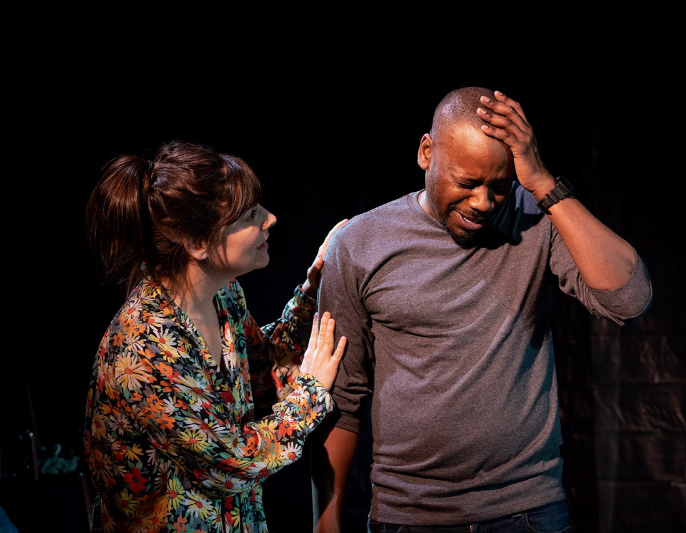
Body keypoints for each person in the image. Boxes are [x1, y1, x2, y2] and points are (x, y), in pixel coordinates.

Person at [311, 87, 653, 533]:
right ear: (426, 152)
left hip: (527, 511)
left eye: (499, 186)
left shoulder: (535, 219)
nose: (482, 203)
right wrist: (325, 522)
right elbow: (341, 398)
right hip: (411, 517)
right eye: (467, 183)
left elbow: (629, 299)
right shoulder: (358, 244)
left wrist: (544, 184)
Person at [83, 140, 347, 533]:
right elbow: (230, 463)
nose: (271, 219)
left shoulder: (224, 294)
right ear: (197, 243)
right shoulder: (144, 348)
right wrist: (309, 396)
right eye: (249, 216)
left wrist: (311, 295)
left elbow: (262, 374)